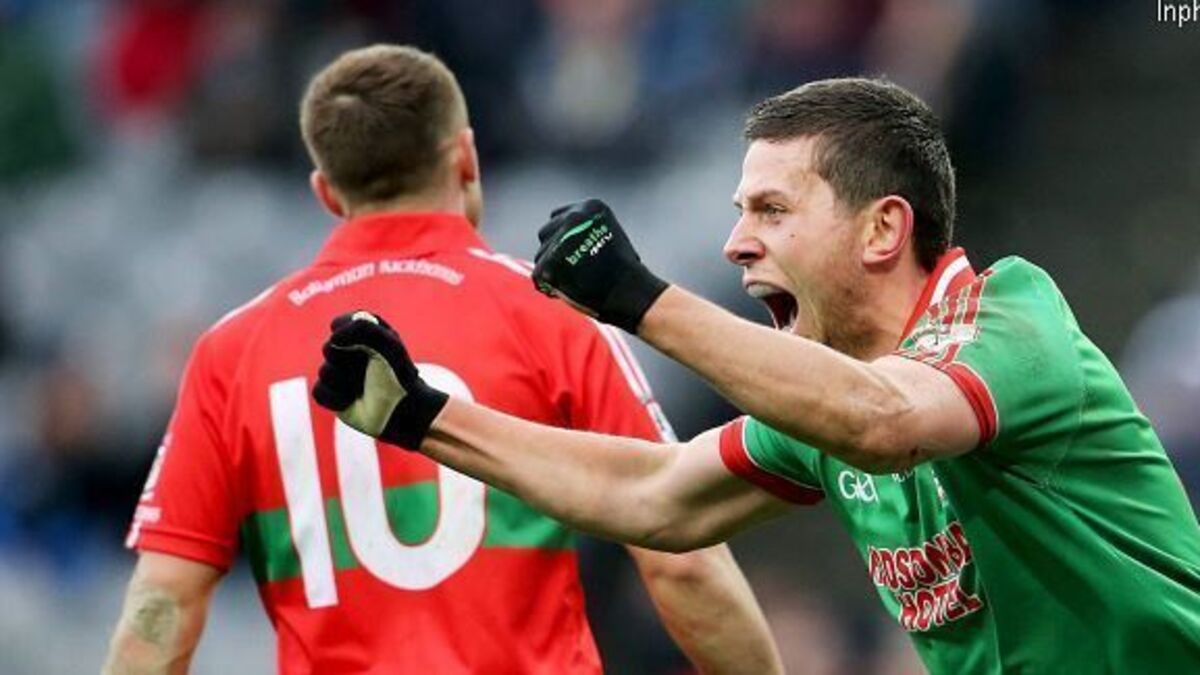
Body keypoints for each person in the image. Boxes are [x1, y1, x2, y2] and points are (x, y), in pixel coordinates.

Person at [313, 78, 1200, 673]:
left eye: (772, 210)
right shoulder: (825, 401)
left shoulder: (1009, 316)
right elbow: (655, 495)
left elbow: (885, 420)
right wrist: (425, 417)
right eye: (741, 213)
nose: (736, 243)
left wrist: (640, 299)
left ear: (883, 230)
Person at [102, 44, 783, 675]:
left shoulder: (233, 350)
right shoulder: (551, 315)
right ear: (465, 158)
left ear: (326, 193)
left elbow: (163, 602)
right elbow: (681, 561)